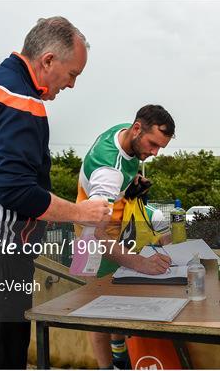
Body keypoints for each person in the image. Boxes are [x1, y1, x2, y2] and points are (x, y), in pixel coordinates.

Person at [0, 17, 110, 369]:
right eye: (72, 74)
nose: (72, 85)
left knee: (0, 354)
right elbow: (16, 190)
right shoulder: (20, 100)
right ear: (48, 61)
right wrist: (83, 213)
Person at [76, 104, 175, 369]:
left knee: (119, 303)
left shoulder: (124, 133)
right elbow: (96, 235)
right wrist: (140, 263)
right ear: (137, 129)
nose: (153, 153)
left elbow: (117, 183)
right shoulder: (108, 170)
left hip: (117, 227)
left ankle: (120, 355)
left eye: (160, 148)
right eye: (153, 144)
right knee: (95, 312)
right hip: (92, 235)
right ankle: (107, 368)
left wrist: (130, 190)